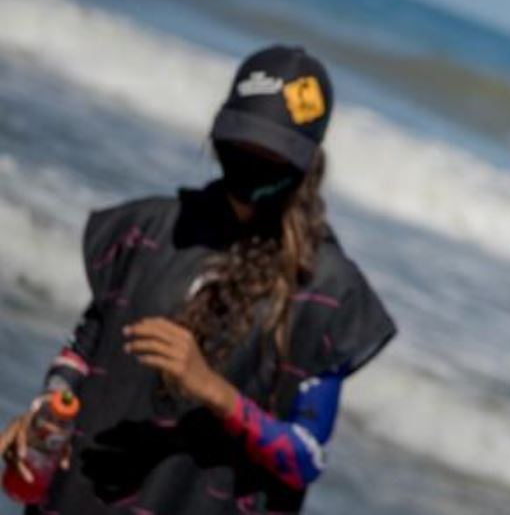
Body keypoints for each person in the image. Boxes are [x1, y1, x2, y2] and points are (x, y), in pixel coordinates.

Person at [0, 46, 395, 514]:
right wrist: (48, 414)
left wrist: (213, 389)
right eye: (237, 151)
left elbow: (306, 456)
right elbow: (82, 348)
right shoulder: (150, 230)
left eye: (266, 160)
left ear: (304, 166)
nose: (248, 170)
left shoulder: (328, 291)